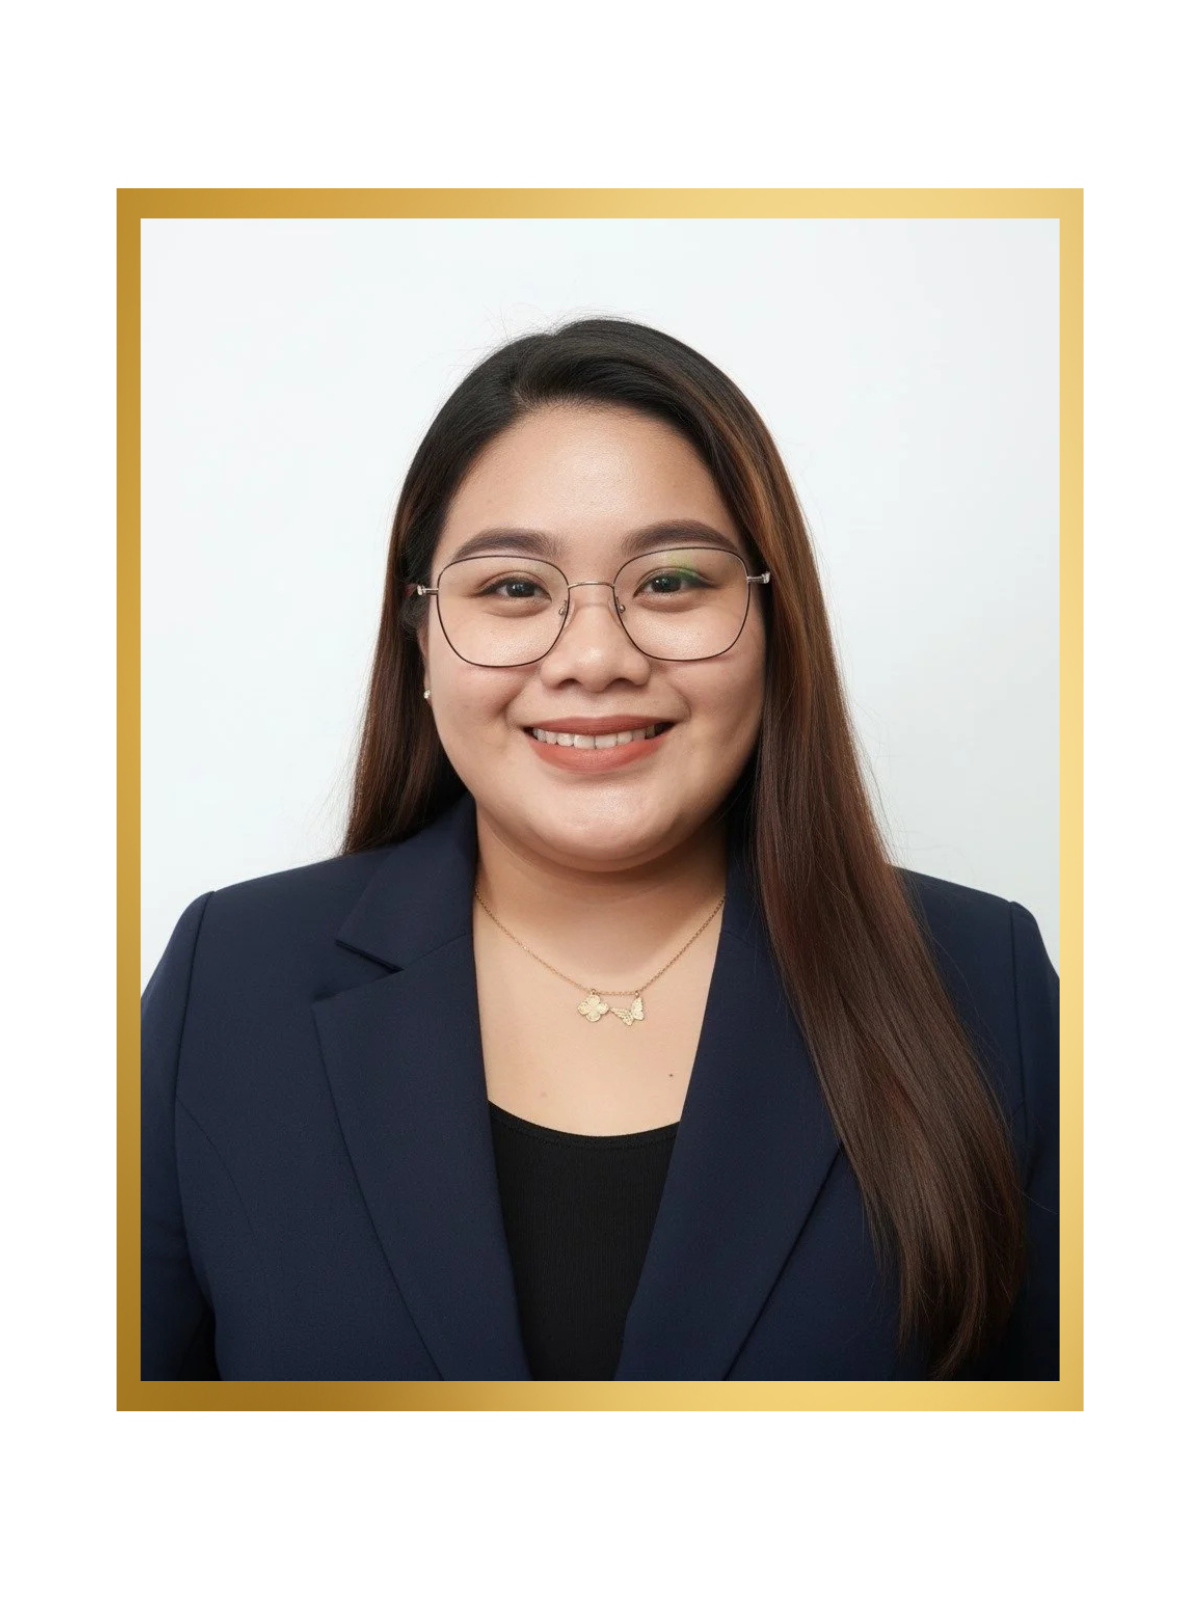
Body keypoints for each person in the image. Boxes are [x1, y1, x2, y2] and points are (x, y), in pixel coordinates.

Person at [141, 317, 1059, 1381]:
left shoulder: (983, 981)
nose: (594, 656)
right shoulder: (232, 982)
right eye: (513, 588)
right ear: (422, 638)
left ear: (773, 624)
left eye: (671, 581)